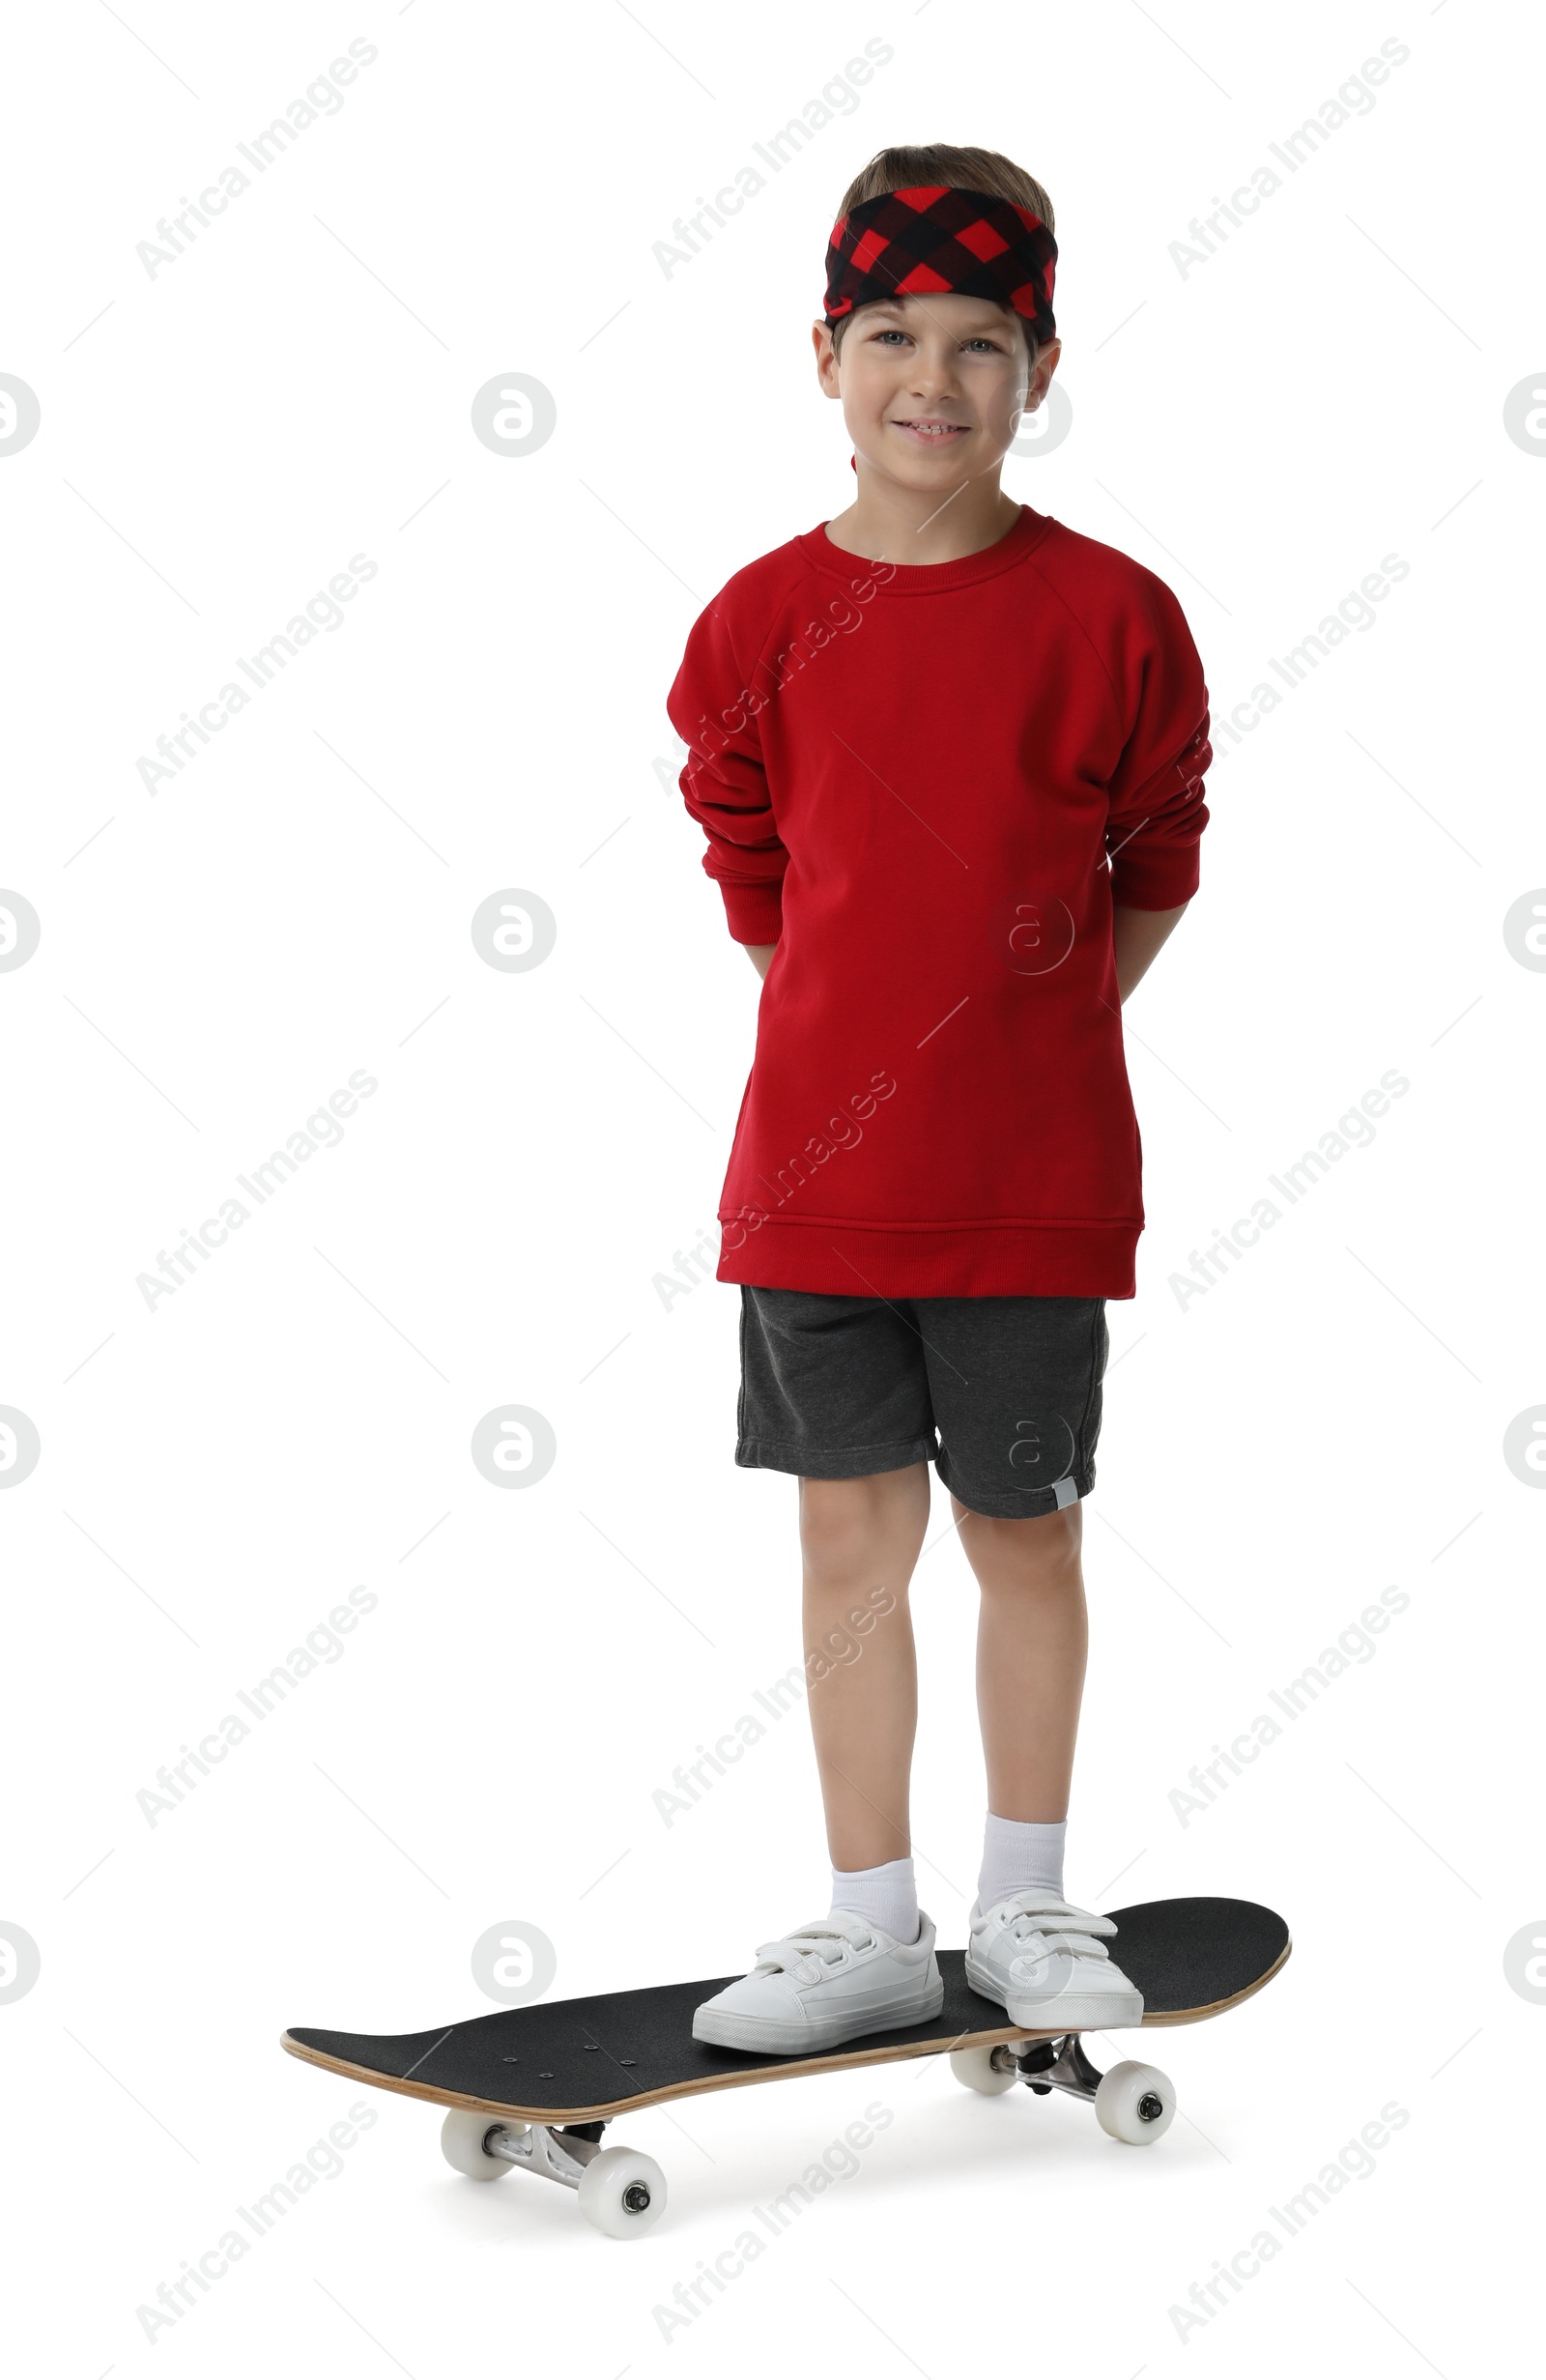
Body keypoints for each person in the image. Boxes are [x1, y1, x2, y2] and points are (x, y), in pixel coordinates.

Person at [665, 145, 1212, 2056]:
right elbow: (746, 860)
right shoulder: (751, 622)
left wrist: (1024, 1035)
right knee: (839, 1543)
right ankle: (867, 1921)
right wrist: (847, 1036)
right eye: (890, 333)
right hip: (811, 1194)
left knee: (1025, 1536)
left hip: (1023, 1186)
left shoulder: (1110, 616)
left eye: (980, 342)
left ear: (1037, 367)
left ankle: (1029, 1891)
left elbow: (1155, 853)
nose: (932, 378)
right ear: (823, 356)